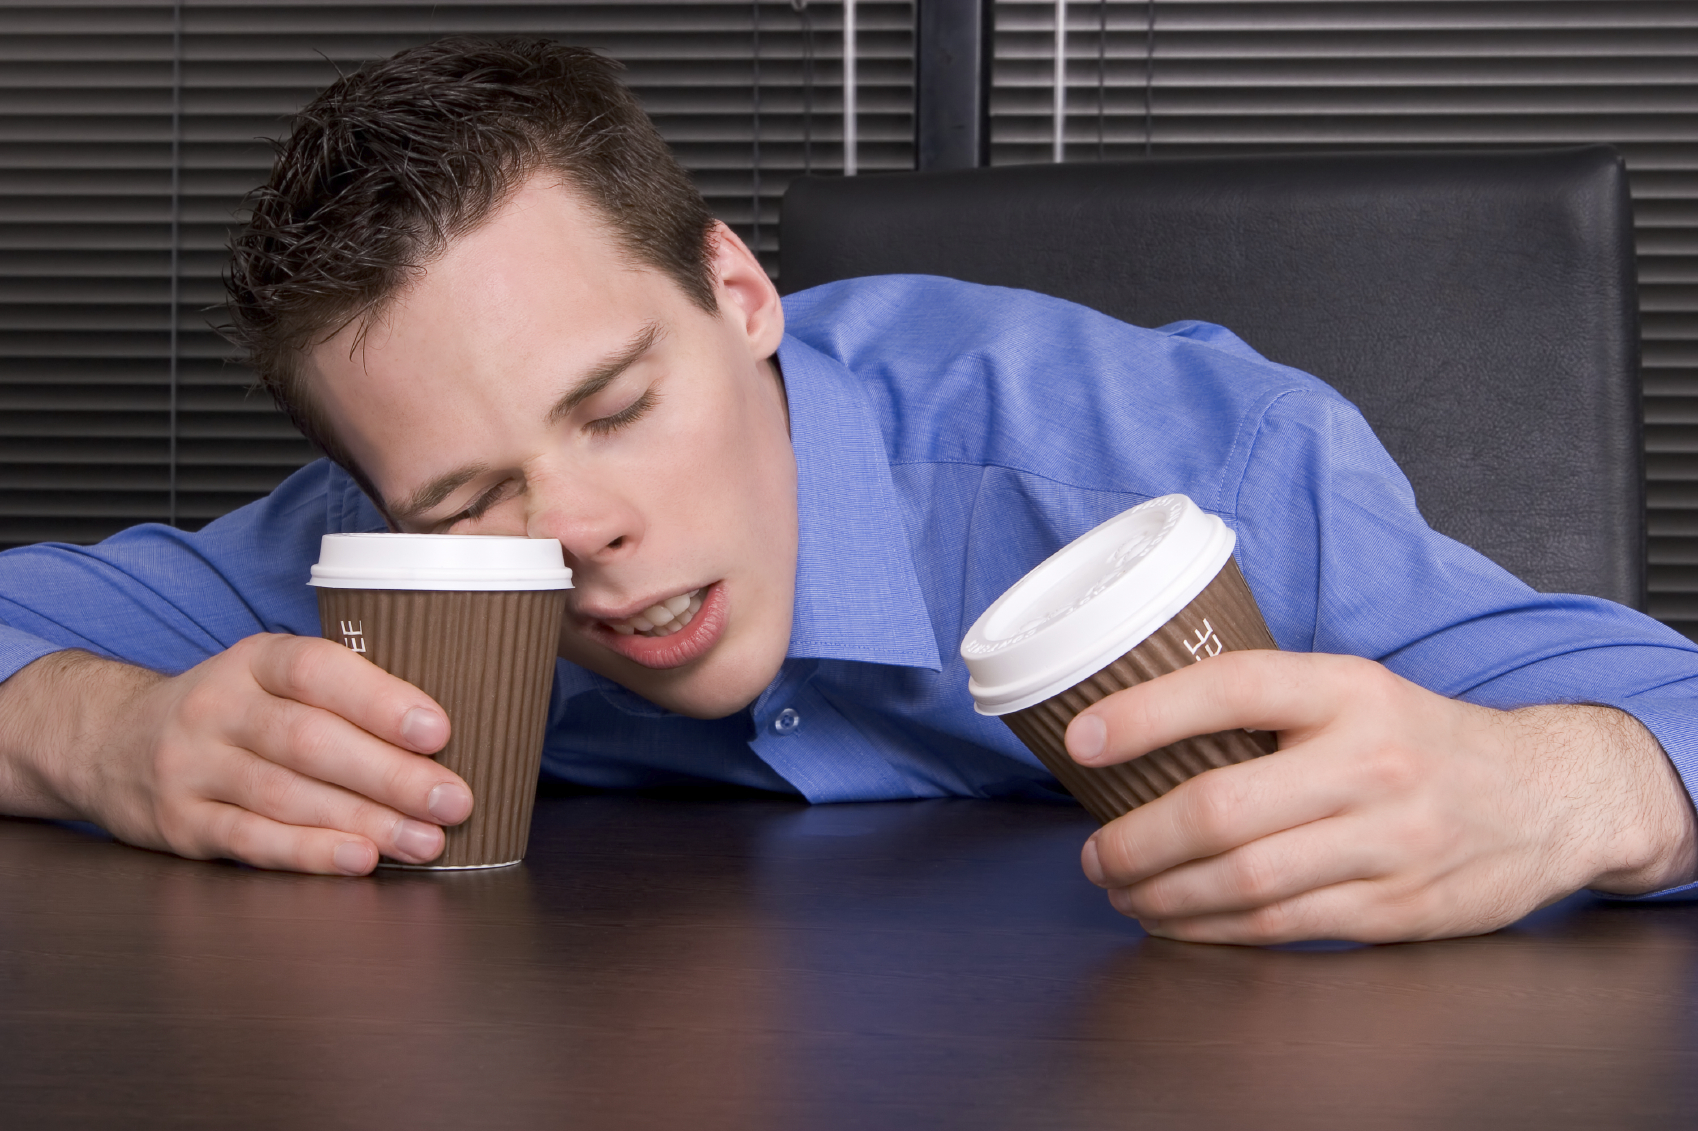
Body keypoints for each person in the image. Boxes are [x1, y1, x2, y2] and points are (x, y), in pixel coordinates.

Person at [0, 37, 1693, 946]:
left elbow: (1655, 707)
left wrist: (1561, 790)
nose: (575, 528)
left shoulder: (1181, 455)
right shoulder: (392, 563)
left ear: (739, 297)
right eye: (464, 497)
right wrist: (107, 735)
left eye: (616, 404)